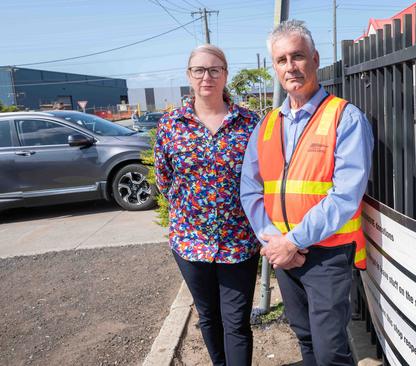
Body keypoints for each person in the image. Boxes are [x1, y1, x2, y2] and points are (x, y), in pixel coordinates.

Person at [240, 20, 374, 366]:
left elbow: (345, 196)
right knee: (306, 339)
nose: (290, 67)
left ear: (314, 59)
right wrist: (274, 242)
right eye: (281, 60)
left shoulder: (344, 118)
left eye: (297, 56)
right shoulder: (267, 124)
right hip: (282, 253)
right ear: (275, 67)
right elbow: (250, 190)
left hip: (327, 256)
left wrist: (292, 242)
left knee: (331, 351)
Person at [154, 44, 260, 366]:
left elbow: (261, 177)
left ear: (225, 75)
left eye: (215, 69)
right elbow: (164, 178)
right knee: (209, 316)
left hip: (238, 243)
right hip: (190, 244)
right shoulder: (171, 125)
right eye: (199, 70)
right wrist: (191, 213)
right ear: (189, 75)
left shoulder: (249, 123)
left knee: (237, 321)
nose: (207, 77)